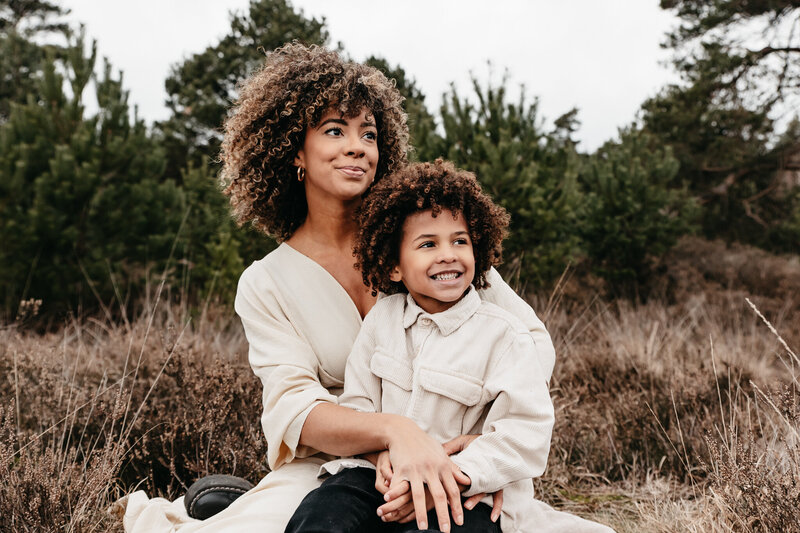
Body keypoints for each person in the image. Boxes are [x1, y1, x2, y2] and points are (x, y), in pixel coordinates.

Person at [117, 42, 614, 533]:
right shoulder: (266, 283)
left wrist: (474, 453)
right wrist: (394, 437)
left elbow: (529, 345)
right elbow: (298, 413)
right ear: (295, 151)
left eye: (369, 133)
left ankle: (240, 503)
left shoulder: (427, 246)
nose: (357, 146)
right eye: (335, 131)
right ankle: (237, 507)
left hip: (454, 461)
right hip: (341, 470)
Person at [285, 160, 555, 533]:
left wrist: (461, 474)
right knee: (322, 515)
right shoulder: (383, 319)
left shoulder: (504, 334)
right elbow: (358, 403)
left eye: (460, 241)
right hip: (377, 475)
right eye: (428, 244)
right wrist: (378, 453)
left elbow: (526, 433)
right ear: (394, 266)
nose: (447, 254)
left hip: (462, 485)